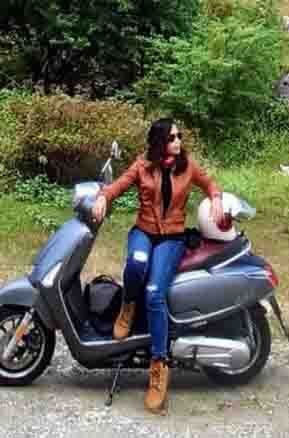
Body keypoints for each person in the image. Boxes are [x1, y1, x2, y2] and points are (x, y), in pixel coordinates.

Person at [92, 118, 225, 415]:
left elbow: (209, 183)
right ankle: (127, 304)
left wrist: (215, 198)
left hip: (173, 239)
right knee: (137, 265)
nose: (178, 141)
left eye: (179, 136)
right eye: (172, 137)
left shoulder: (187, 165)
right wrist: (102, 197)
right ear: (159, 142)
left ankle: (159, 364)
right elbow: (119, 185)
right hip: (143, 232)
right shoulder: (143, 165)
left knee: (154, 292)